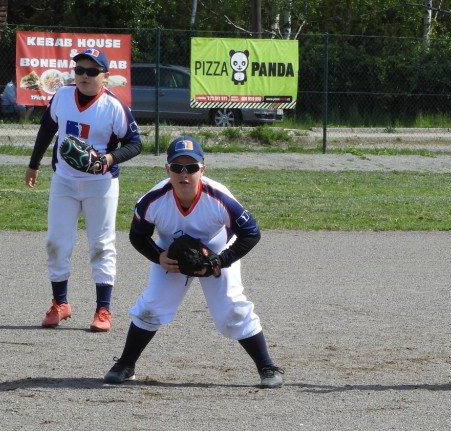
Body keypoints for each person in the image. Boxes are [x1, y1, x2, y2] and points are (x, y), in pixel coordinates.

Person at [103, 136, 284, 389]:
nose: (184, 173)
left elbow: (251, 233)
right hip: (172, 256)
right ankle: (125, 364)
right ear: (167, 169)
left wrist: (219, 262)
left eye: (191, 167)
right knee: (152, 305)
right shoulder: (152, 200)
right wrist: (158, 257)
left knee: (231, 307)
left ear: (203, 169)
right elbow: (138, 236)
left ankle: (267, 366)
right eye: (177, 167)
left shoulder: (219, 198)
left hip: (218, 250)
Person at [25, 48, 142, 332]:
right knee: (56, 242)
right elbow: (46, 129)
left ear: (104, 75)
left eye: (92, 71)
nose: (84, 76)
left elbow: (135, 143)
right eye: (79, 70)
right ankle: (60, 303)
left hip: (99, 185)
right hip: (63, 180)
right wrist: (34, 164)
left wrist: (111, 158)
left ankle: (103, 309)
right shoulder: (62, 97)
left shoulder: (114, 106)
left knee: (102, 244)